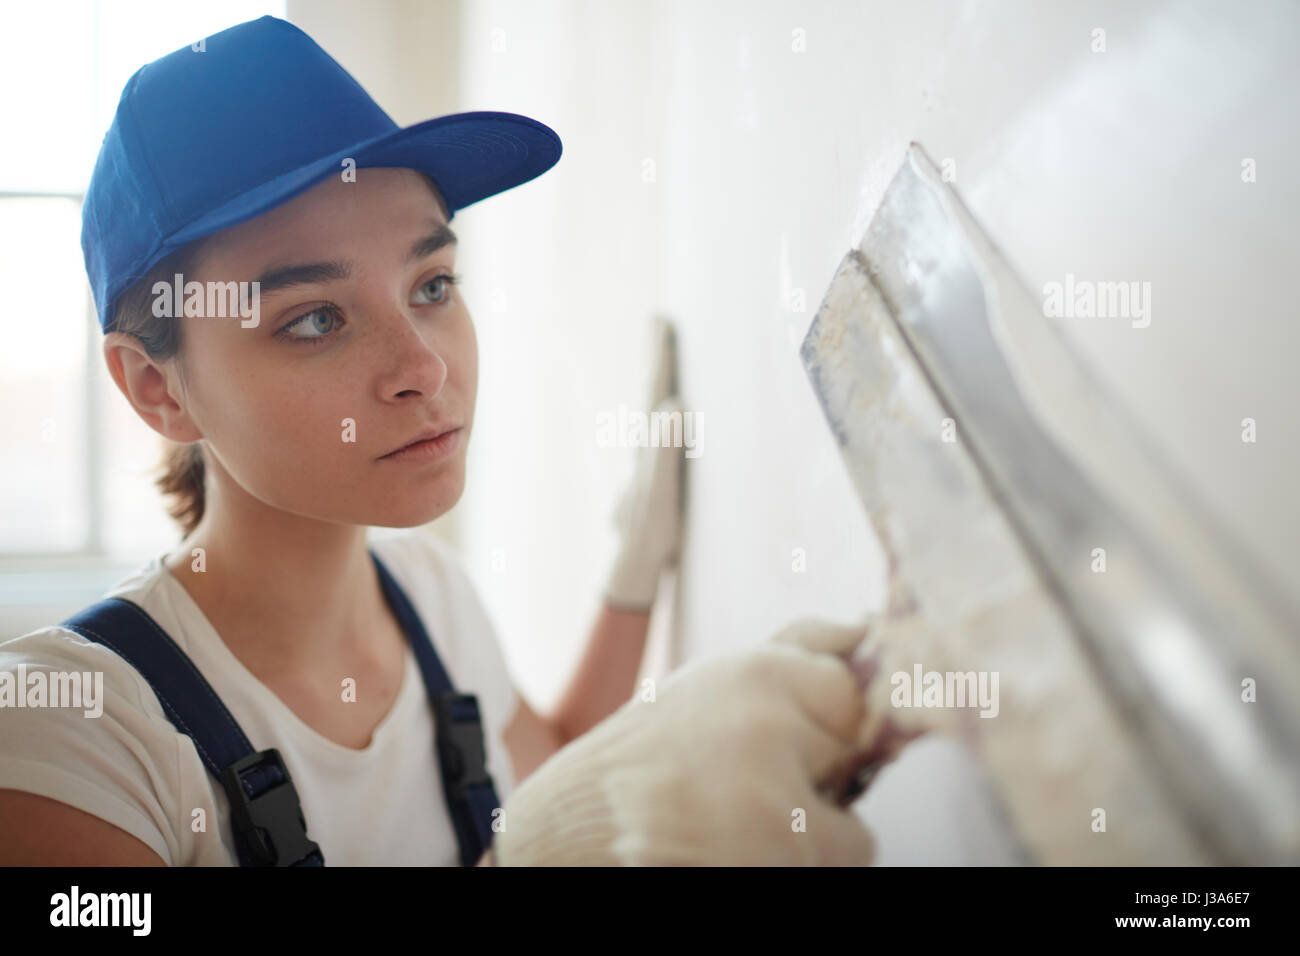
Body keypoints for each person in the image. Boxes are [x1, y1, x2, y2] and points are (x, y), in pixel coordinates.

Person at [0, 15, 897, 866]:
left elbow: (556, 778)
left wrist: (638, 570)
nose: (421, 368)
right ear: (159, 388)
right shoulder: (70, 732)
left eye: (431, 284)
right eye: (315, 319)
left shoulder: (432, 600)